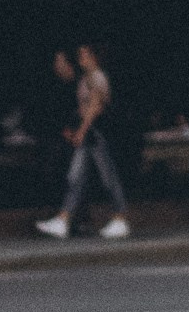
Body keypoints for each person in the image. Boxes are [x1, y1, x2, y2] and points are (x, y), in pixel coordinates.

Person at [36, 45, 129, 240]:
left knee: (108, 176)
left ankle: (120, 217)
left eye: (84, 55)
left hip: (97, 133)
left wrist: (82, 130)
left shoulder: (97, 77)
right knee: (75, 176)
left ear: (94, 57)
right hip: (89, 134)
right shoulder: (86, 78)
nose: (80, 58)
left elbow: (95, 107)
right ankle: (63, 218)